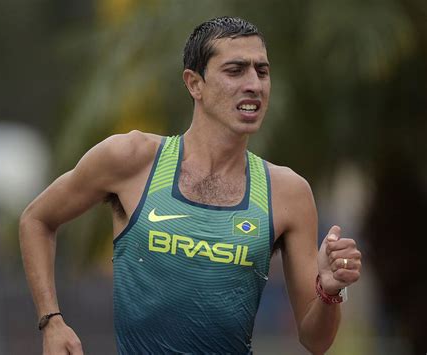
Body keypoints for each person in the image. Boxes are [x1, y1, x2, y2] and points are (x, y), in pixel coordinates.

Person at [19, 16, 362, 355]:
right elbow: (36, 219)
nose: (254, 85)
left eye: (262, 71)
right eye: (235, 70)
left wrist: (329, 292)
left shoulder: (288, 192)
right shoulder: (132, 159)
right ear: (194, 83)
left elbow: (316, 340)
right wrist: (51, 322)